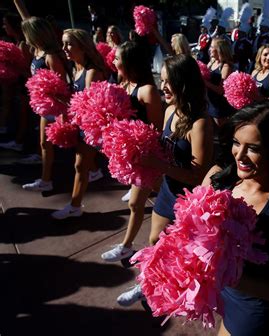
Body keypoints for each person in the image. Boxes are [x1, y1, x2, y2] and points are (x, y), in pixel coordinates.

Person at [202, 100, 269, 335]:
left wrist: (223, 273)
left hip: (249, 303)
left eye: (253, 148)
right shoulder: (216, 178)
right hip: (212, 289)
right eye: (235, 143)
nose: (239, 155)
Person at [116, 54, 213, 306]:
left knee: (179, 253)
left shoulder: (200, 123)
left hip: (188, 200)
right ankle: (146, 285)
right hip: (168, 189)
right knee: (153, 241)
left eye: (170, 81)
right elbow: (163, 146)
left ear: (185, 83)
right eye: (163, 80)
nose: (163, 86)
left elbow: (197, 175)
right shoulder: (170, 109)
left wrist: (158, 165)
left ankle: (166, 290)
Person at [101, 41, 163, 260]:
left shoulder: (147, 91)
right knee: (166, 194)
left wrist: (141, 148)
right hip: (131, 155)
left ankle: (127, 246)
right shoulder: (122, 84)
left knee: (135, 202)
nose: (113, 60)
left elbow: (158, 129)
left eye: (117, 58)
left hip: (147, 157)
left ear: (129, 62)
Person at [50, 29, 107, 219]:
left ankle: (75, 206)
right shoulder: (77, 69)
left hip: (91, 129)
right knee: (82, 166)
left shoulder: (92, 73)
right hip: (82, 126)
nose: (64, 48)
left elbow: (91, 109)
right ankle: (95, 172)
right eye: (64, 43)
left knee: (80, 166)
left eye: (69, 44)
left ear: (82, 47)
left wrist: (64, 102)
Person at [17, 15, 68, 190]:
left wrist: (61, 113)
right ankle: (46, 179)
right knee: (45, 144)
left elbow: (62, 87)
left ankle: (46, 181)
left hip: (54, 106)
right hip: (44, 105)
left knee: (54, 144)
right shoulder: (36, 51)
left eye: (26, 33)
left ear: (34, 34)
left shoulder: (50, 57)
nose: (24, 36)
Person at [0, 12, 32, 150]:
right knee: (20, 113)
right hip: (19, 83)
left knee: (25, 114)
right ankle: (18, 139)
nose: (4, 26)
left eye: (6, 24)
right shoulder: (17, 41)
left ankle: (20, 142)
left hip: (25, 84)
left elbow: (27, 69)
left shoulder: (23, 44)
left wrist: (11, 67)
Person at [205, 37, 235, 127]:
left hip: (219, 107)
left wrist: (204, 82)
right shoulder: (211, 62)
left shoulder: (226, 67)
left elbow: (221, 90)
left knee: (222, 133)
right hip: (209, 103)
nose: (209, 49)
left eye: (212, 47)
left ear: (219, 50)